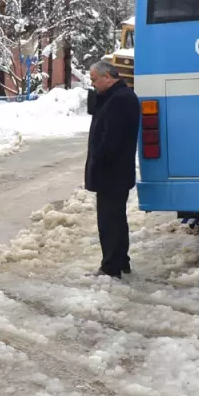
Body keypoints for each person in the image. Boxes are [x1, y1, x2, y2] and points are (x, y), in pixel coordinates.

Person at [84, 60, 140, 278]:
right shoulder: (120, 97)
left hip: (111, 173)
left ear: (108, 77)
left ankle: (110, 267)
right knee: (116, 218)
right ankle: (120, 260)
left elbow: (111, 140)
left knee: (108, 222)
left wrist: (98, 161)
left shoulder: (119, 101)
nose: (93, 84)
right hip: (117, 172)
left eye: (95, 80)